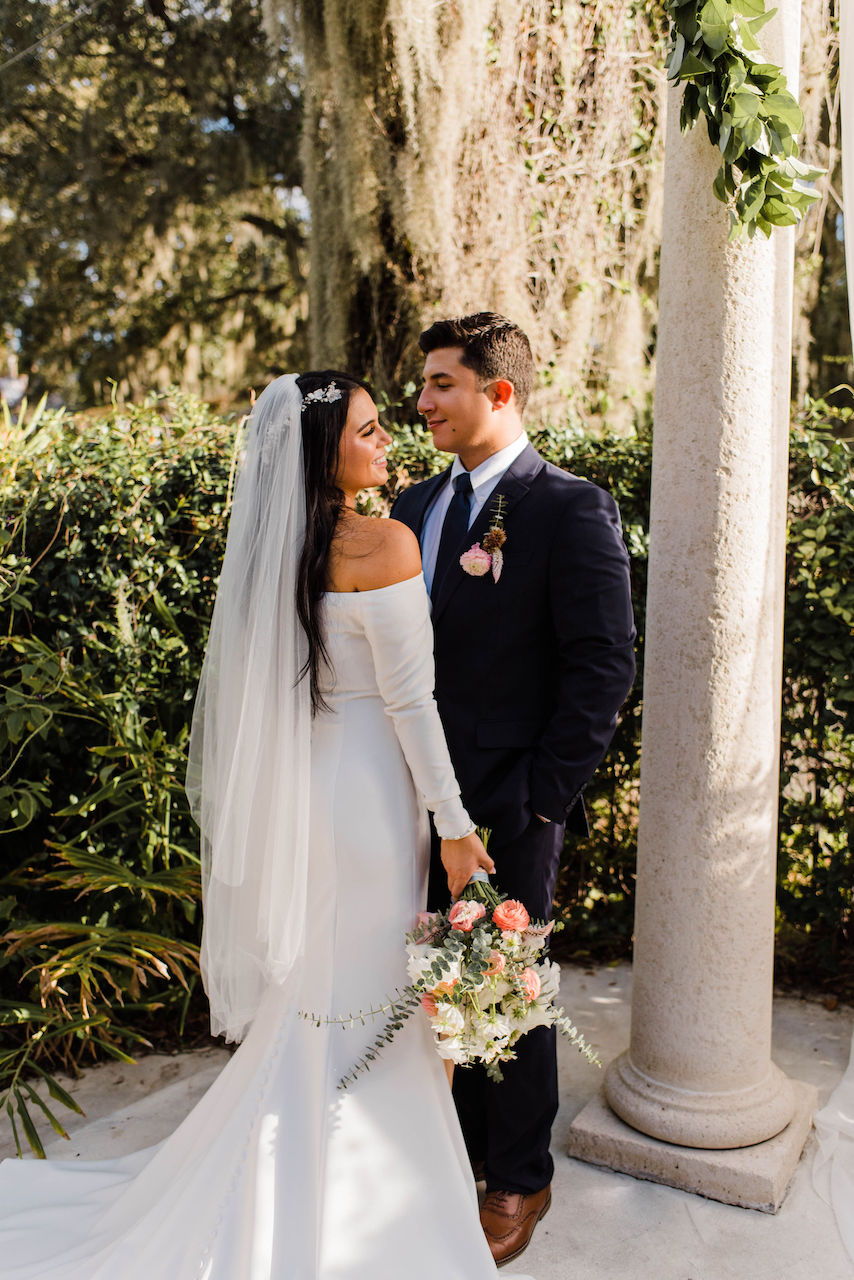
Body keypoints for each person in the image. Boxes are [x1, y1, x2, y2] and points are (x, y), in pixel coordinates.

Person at [0, 372, 534, 1280]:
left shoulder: (285, 548)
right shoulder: (387, 541)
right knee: (376, 1001)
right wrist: (453, 825)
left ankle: (303, 1175)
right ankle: (373, 1204)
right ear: (323, 451)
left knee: (324, 993)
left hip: (314, 792)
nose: (384, 443)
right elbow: (412, 704)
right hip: (375, 799)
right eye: (365, 432)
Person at [393, 313, 636, 1266]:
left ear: (500, 393)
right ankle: (442, 1146)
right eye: (421, 385)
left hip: (507, 801)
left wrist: (543, 800)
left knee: (503, 991)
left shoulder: (568, 507)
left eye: (441, 384)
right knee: (423, 983)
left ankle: (518, 1176)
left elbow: (602, 668)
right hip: (404, 793)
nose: (422, 403)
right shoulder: (413, 504)